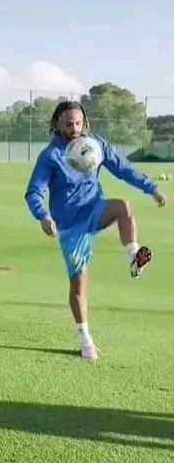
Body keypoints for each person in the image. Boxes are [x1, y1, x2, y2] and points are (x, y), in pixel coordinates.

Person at [24, 101, 166, 362]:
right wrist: (43, 216)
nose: (74, 128)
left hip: (95, 208)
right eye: (69, 124)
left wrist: (151, 188)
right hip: (70, 225)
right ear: (57, 124)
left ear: (85, 123)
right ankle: (85, 339)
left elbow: (123, 167)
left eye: (78, 123)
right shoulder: (50, 156)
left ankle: (134, 259)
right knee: (79, 284)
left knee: (123, 207)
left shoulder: (95, 144)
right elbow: (34, 191)